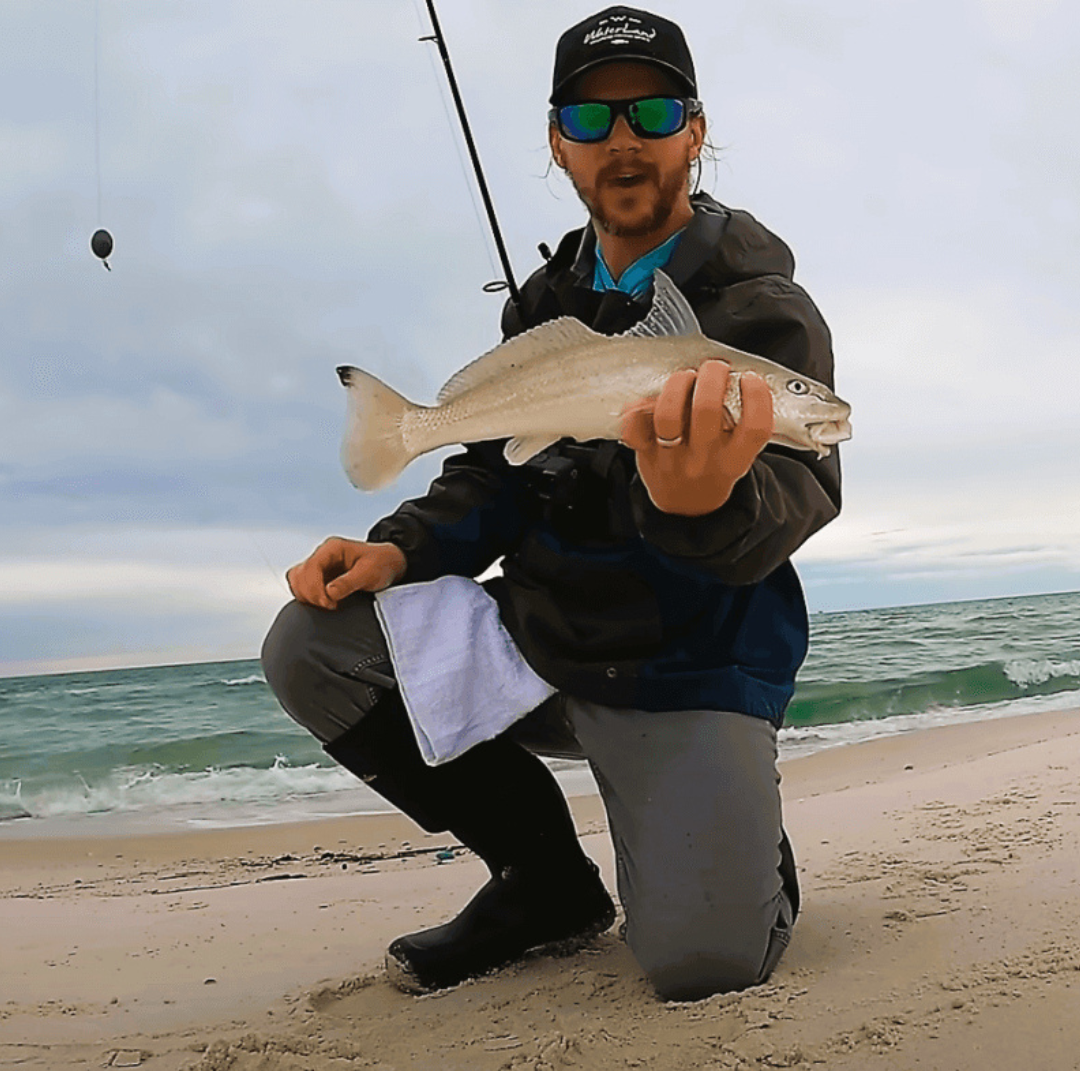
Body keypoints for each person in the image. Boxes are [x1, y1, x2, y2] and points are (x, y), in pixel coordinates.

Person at [261, 5, 841, 1002]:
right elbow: (493, 469)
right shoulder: (541, 304)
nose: (622, 140)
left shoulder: (763, 310)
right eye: (589, 119)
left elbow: (799, 491)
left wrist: (697, 501)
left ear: (695, 133)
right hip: (543, 641)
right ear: (557, 145)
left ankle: (740, 850)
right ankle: (543, 881)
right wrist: (397, 550)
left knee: (703, 964)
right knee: (311, 642)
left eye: (653, 112)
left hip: (687, 665)